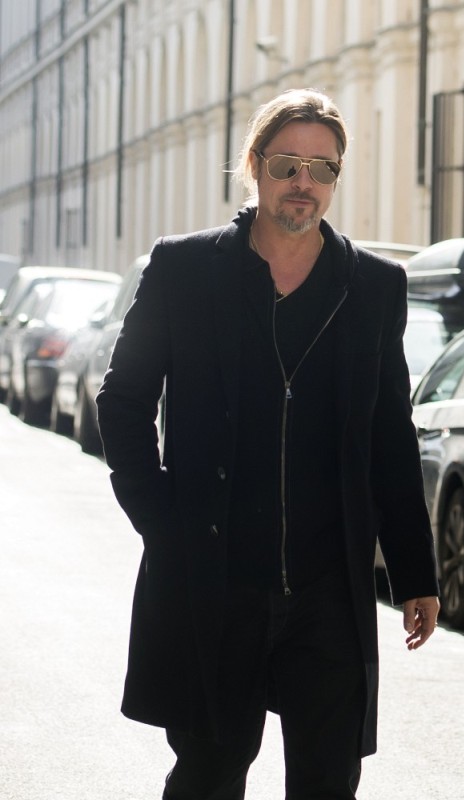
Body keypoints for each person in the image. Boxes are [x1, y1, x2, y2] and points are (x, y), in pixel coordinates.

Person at [96, 88, 440, 800]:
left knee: (328, 782)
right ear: (255, 165)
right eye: (287, 165)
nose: (304, 183)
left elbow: (389, 434)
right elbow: (123, 401)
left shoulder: (373, 286)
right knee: (208, 777)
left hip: (329, 593)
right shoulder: (185, 270)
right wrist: (162, 521)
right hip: (216, 583)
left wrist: (415, 572)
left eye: (323, 168)